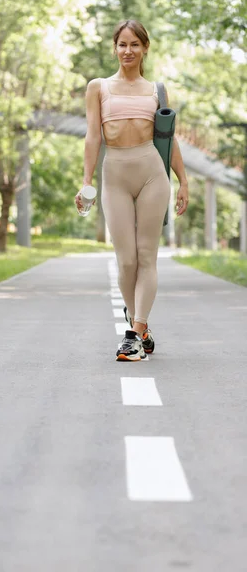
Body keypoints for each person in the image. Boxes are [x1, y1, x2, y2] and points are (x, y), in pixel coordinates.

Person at [75, 19, 189, 362]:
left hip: (153, 173)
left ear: (145, 48)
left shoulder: (156, 90)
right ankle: (140, 324)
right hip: (115, 175)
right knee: (126, 260)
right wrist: (86, 181)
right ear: (115, 48)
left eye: (134, 45)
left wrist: (183, 181)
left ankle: (135, 334)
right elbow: (93, 136)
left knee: (146, 255)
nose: (128, 51)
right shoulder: (98, 87)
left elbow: (169, 140)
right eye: (122, 44)